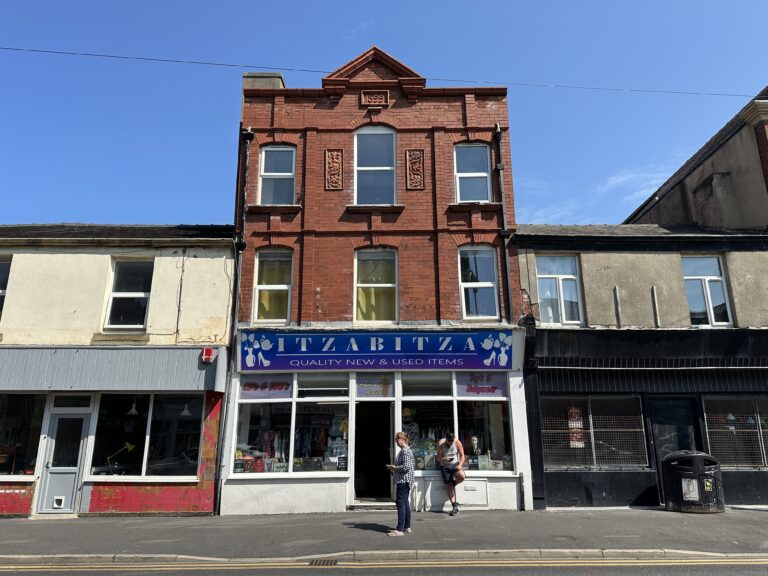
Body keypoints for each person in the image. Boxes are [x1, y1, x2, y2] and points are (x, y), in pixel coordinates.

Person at [385, 431, 414, 536]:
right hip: (405, 480)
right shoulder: (406, 450)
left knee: (401, 504)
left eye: (397, 440)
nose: (396, 442)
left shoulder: (405, 451)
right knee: (405, 503)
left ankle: (399, 529)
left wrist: (394, 468)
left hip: (403, 480)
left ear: (402, 439)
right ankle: (406, 527)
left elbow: (406, 467)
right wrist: (395, 469)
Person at [437, 432, 465, 516]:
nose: (451, 443)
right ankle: (454, 506)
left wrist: (460, 465)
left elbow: (462, 455)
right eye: (449, 441)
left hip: (454, 464)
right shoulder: (441, 443)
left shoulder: (457, 442)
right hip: (445, 466)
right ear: (446, 439)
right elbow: (438, 457)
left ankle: (452, 484)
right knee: (448, 486)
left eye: (452, 441)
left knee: (462, 476)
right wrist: (443, 459)